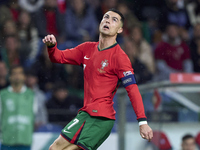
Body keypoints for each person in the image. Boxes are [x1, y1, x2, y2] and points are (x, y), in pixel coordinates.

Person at [43, 8, 153, 150]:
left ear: (119, 30)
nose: (107, 20)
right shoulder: (87, 48)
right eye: (106, 17)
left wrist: (142, 121)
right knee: (54, 148)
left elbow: (132, 89)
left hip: (102, 118)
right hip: (84, 114)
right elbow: (58, 57)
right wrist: (52, 47)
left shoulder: (120, 57)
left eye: (114, 20)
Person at [0, 65, 37, 150]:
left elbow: (34, 116)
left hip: (25, 141)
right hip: (7, 142)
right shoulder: (2, 95)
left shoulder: (31, 95)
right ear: (9, 77)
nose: (17, 76)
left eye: (20, 73)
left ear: (24, 77)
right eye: (14, 73)